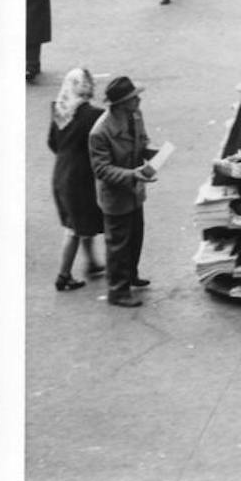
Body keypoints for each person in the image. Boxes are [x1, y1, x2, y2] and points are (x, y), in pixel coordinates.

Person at [88, 76, 156, 308]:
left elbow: (143, 140)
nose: (138, 99)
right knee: (118, 245)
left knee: (135, 236)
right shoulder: (100, 132)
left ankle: (131, 275)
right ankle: (117, 290)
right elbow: (102, 169)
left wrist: (152, 153)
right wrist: (133, 175)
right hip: (116, 196)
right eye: (133, 97)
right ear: (121, 103)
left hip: (134, 191)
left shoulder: (135, 115)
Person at [47, 68, 106, 290]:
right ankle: (63, 275)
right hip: (80, 177)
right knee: (75, 226)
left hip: (61, 172)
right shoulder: (93, 115)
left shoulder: (60, 110)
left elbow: (52, 142)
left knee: (82, 220)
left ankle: (92, 262)